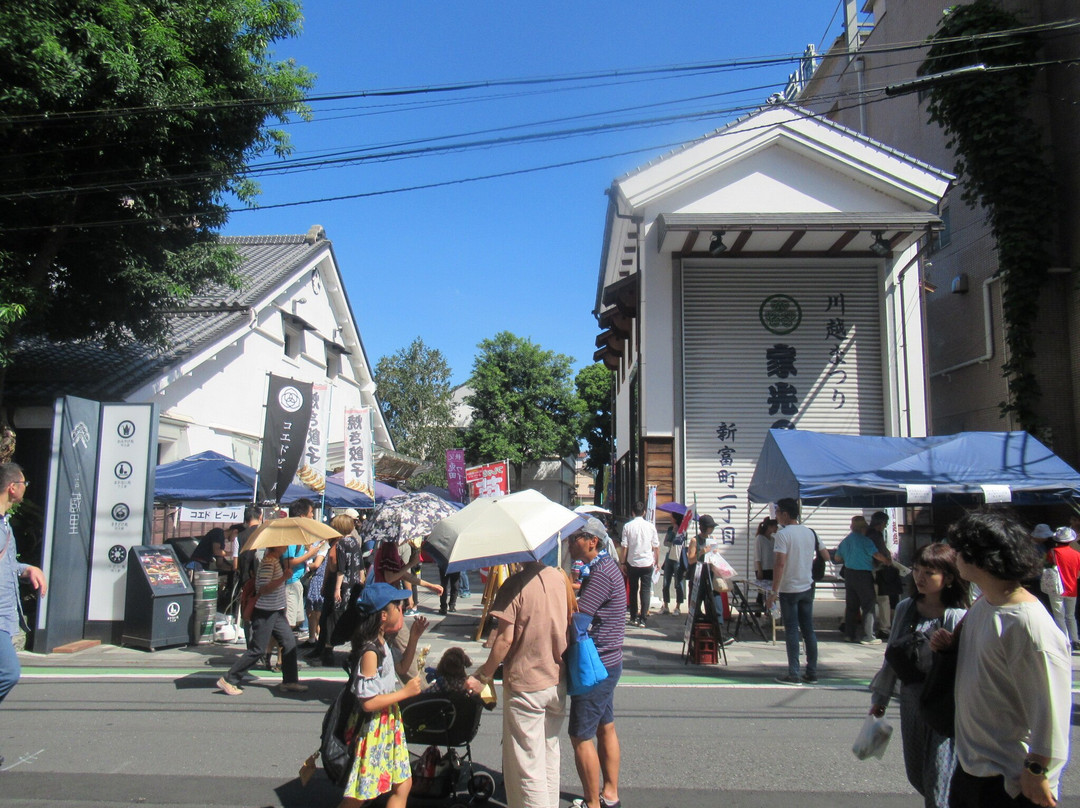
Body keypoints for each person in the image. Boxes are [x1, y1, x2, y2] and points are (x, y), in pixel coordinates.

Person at [938, 511, 1071, 807]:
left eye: (959, 550)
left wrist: (1037, 769)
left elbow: (1051, 706)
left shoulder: (1027, 623)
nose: (954, 556)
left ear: (979, 558)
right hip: (972, 766)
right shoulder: (984, 604)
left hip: (1011, 779)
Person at [869, 542, 968, 808]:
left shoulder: (957, 615)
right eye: (917, 570)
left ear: (947, 579)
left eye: (929, 573)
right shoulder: (905, 607)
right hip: (912, 699)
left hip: (945, 703)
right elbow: (891, 656)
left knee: (939, 776)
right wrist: (881, 699)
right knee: (916, 774)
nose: (920, 578)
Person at [466, 560, 570, 808]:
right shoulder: (558, 578)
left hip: (527, 683)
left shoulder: (515, 585)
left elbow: (504, 640)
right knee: (548, 754)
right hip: (556, 677)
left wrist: (483, 675)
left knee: (527, 765)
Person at [338, 583, 422, 808]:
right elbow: (368, 702)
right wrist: (405, 692)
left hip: (387, 724)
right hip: (374, 727)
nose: (401, 608)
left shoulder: (383, 643)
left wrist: (413, 638)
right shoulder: (370, 651)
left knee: (402, 784)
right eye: (397, 605)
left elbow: (402, 668)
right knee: (361, 792)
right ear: (383, 615)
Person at [566, 518, 626, 808]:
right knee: (606, 727)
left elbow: (580, 619)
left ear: (593, 541)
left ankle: (592, 802)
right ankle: (610, 794)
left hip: (595, 664)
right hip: (609, 659)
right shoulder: (603, 568)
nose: (569, 541)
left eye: (575, 537)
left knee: (580, 736)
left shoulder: (601, 573)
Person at [0, 463, 47, 766]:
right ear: (13, 487)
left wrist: (27, 568)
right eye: (25, 482)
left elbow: (5, 566)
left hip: (5, 617)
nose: (26, 487)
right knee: (9, 673)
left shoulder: (4, 523)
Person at [216, 543, 308, 695]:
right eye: (283, 545)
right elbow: (263, 588)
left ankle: (290, 681)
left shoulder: (275, 562)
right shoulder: (268, 562)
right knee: (258, 649)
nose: (286, 547)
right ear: (276, 547)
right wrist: (283, 578)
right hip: (266, 611)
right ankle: (229, 679)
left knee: (289, 643)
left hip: (276, 611)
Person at [765, 498, 830, 685]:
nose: (775, 516)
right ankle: (812, 671)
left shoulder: (782, 535)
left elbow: (780, 563)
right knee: (808, 630)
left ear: (785, 514)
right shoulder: (810, 532)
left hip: (789, 588)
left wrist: (773, 591)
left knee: (792, 630)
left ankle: (794, 673)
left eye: (777, 512)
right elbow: (825, 555)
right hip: (807, 585)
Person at [834, 515, 890, 645]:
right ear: (863, 527)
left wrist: (848, 558)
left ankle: (849, 634)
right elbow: (876, 554)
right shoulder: (866, 541)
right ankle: (868, 636)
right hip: (863, 574)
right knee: (868, 604)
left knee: (851, 606)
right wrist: (887, 561)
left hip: (849, 575)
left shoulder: (846, 541)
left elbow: (837, 558)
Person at [619, 501, 658, 628]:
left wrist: (622, 562)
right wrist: (657, 560)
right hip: (647, 562)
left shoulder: (627, 526)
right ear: (644, 512)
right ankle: (643, 619)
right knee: (645, 590)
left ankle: (633, 617)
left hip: (633, 562)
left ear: (632, 512)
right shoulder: (651, 526)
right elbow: (656, 546)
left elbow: (624, 546)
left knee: (633, 590)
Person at [1044, 526, 1080, 652]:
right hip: (1072, 588)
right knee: (1071, 616)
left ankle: (1064, 640)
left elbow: (1047, 566)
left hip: (1056, 588)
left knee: (1059, 615)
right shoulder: (1077, 555)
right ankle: (1075, 640)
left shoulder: (1052, 552)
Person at [659, 511, 689, 615]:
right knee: (666, 582)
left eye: (671, 517)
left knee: (678, 583)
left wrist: (678, 532)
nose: (670, 518)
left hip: (678, 557)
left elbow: (682, 542)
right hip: (669, 556)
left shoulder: (683, 530)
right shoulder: (670, 529)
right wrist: (673, 533)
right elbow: (666, 542)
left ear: (676, 518)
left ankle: (678, 607)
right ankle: (666, 605)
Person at [754, 517, 778, 582]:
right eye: (775, 526)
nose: (777, 528)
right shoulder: (760, 538)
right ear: (769, 526)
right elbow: (758, 556)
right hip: (763, 568)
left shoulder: (773, 539)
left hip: (771, 568)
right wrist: (759, 570)